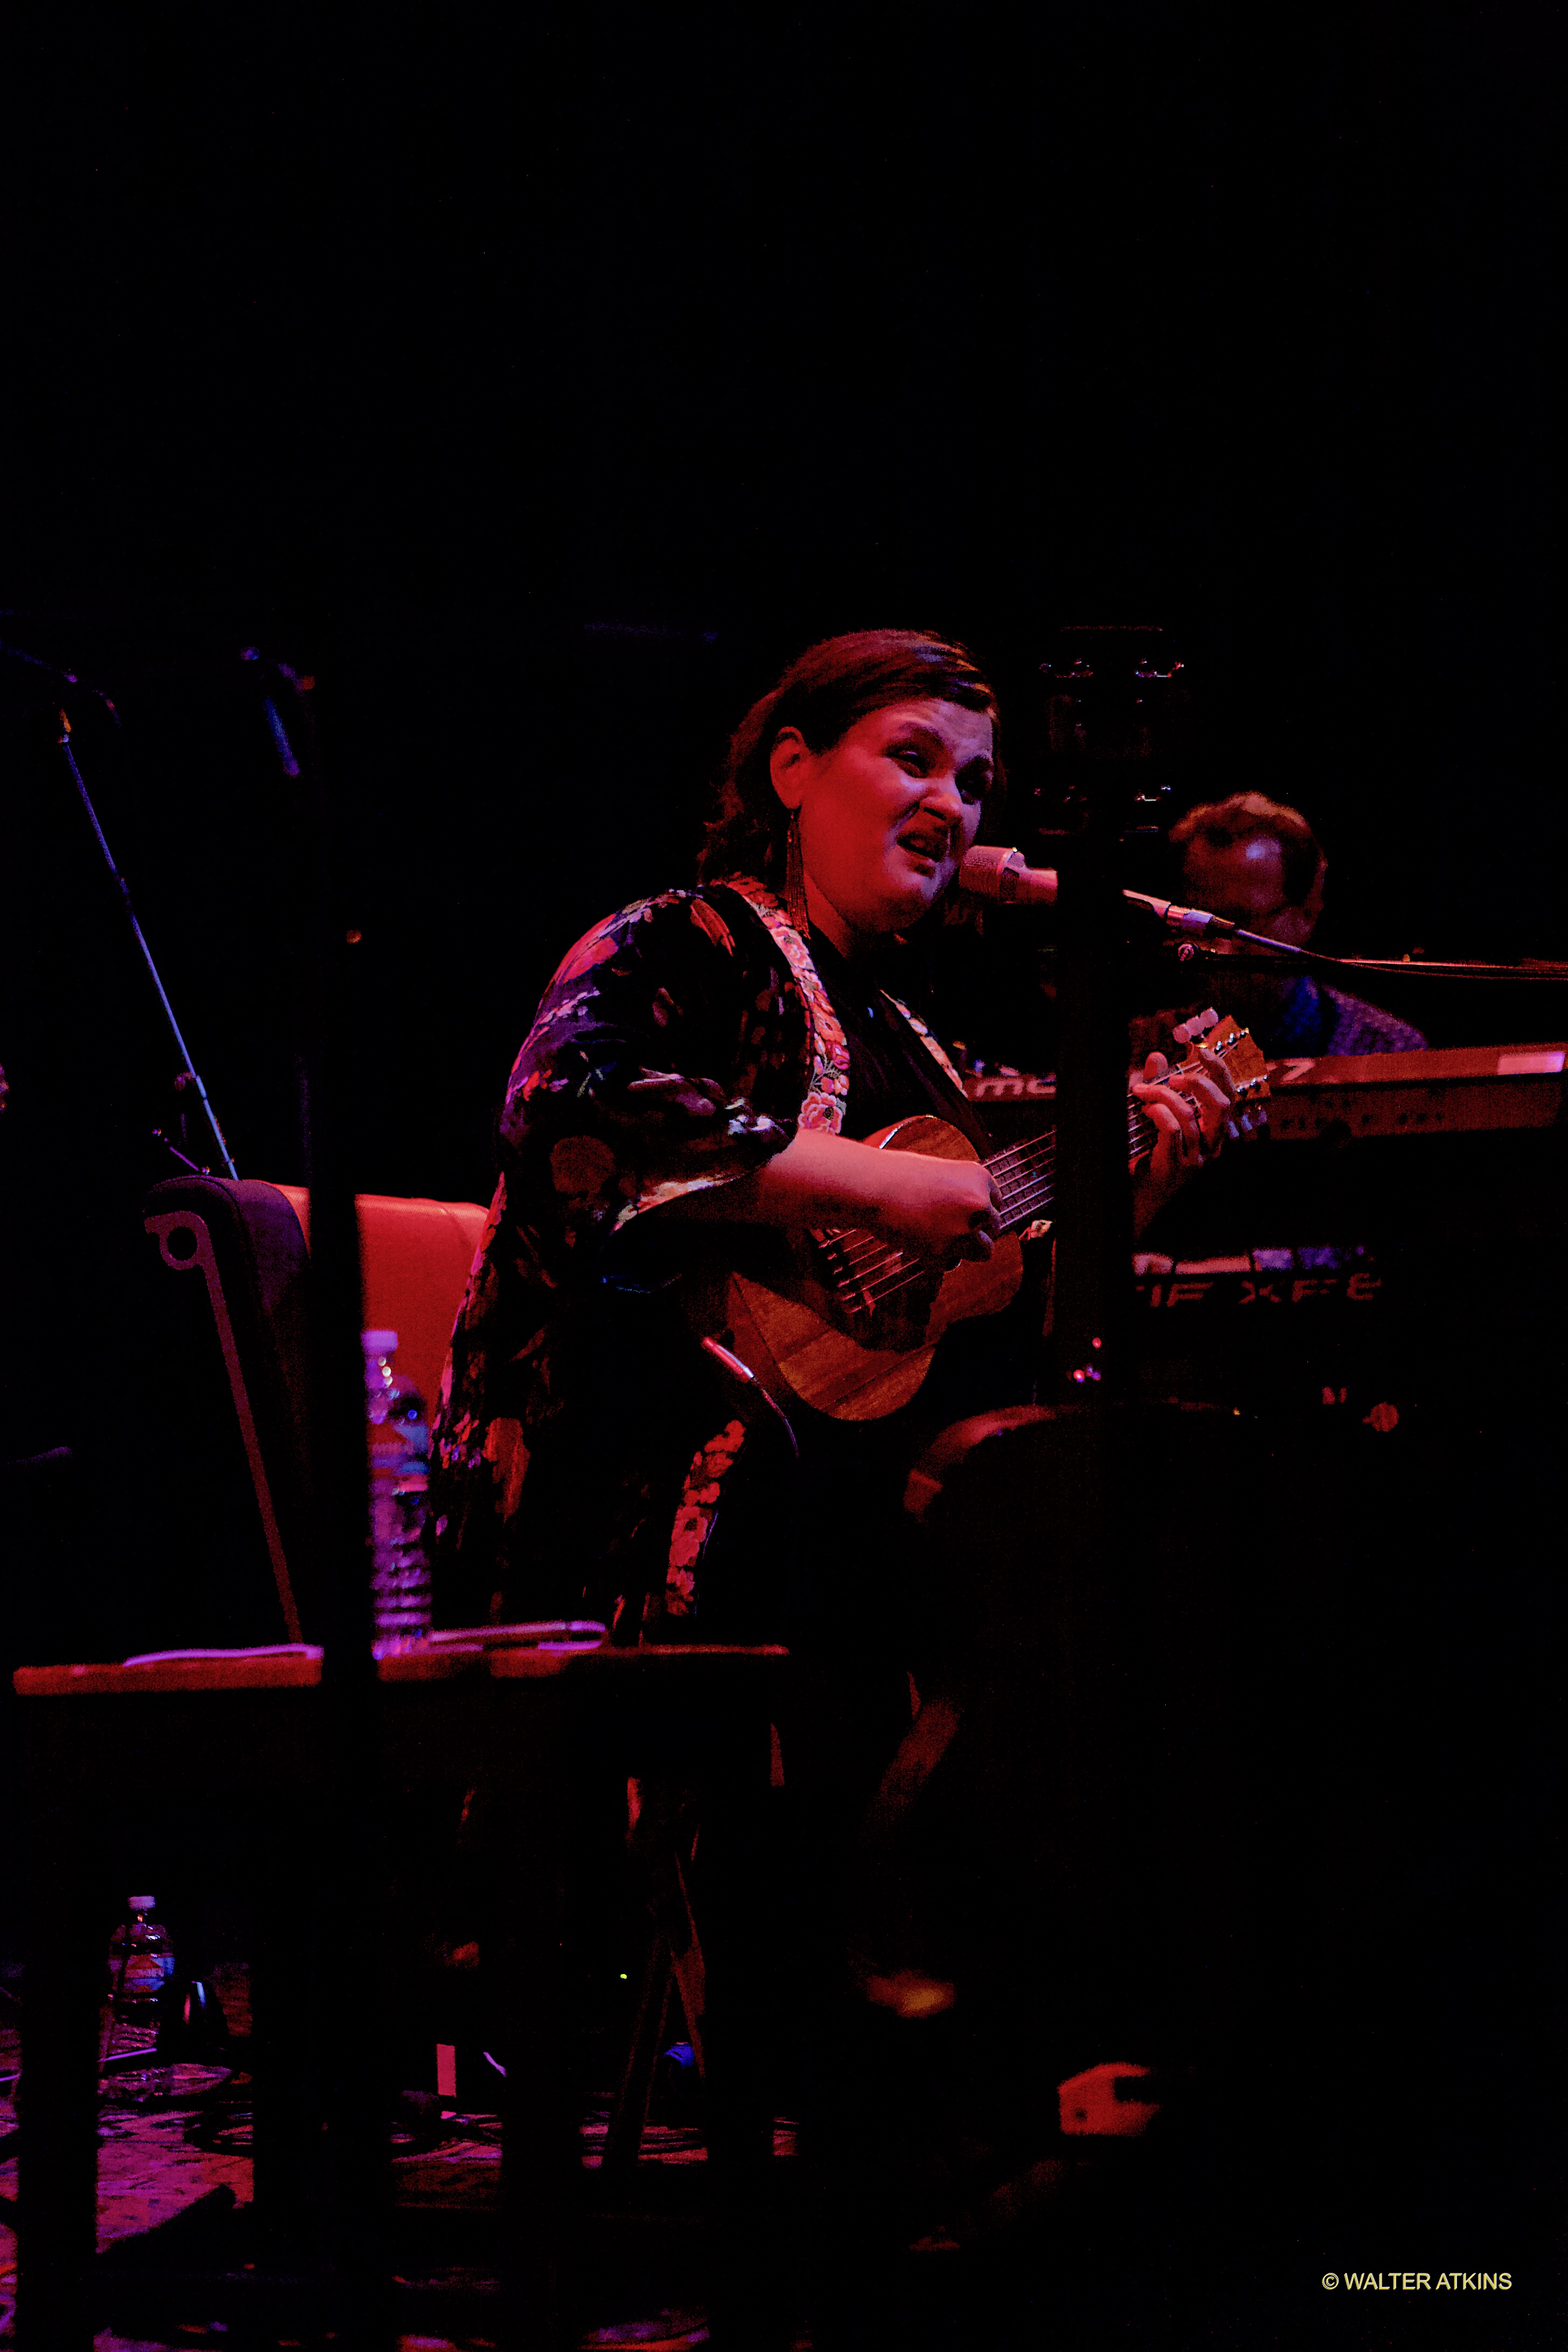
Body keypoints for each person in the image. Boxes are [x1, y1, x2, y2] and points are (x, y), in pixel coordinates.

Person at [424, 629, 1236, 1648]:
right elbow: (568, 1106)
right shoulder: (689, 939)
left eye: (975, 780)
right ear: (793, 767)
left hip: (840, 1550)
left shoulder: (914, 1035)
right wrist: (871, 1184)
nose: (952, 802)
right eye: (913, 757)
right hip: (617, 1528)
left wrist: (1132, 1196)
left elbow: (973, 1324)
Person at [1163, 790, 1427, 1056]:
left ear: (1306, 913)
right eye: (1200, 924)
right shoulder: (1142, 1050)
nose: (1218, 949)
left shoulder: (1387, 1049)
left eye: (1239, 924)